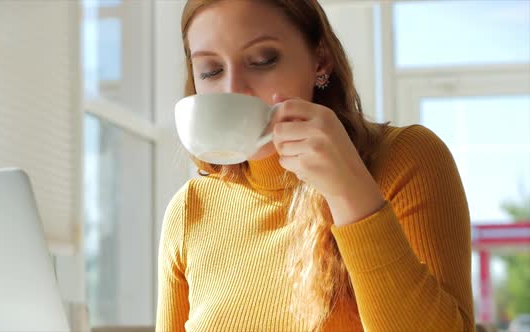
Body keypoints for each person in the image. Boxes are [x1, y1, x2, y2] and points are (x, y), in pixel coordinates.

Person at [156, 0, 474, 331]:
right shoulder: (190, 209)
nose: (233, 90)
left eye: (263, 60)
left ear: (320, 60)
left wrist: (350, 191)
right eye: (211, 71)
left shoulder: (406, 160)